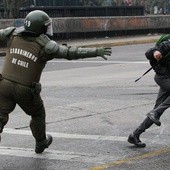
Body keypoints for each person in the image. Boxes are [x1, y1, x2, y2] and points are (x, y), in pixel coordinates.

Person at [0, 10, 111, 153]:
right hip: (26, 90)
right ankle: (41, 142)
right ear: (40, 27)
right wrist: (96, 51)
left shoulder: (11, 34)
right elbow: (70, 53)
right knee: (38, 114)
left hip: (4, 86)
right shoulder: (45, 45)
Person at [128, 37, 170, 148]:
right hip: (164, 78)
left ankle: (135, 134)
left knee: (157, 110)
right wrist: (156, 52)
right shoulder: (168, 43)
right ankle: (155, 112)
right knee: (157, 111)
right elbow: (149, 52)